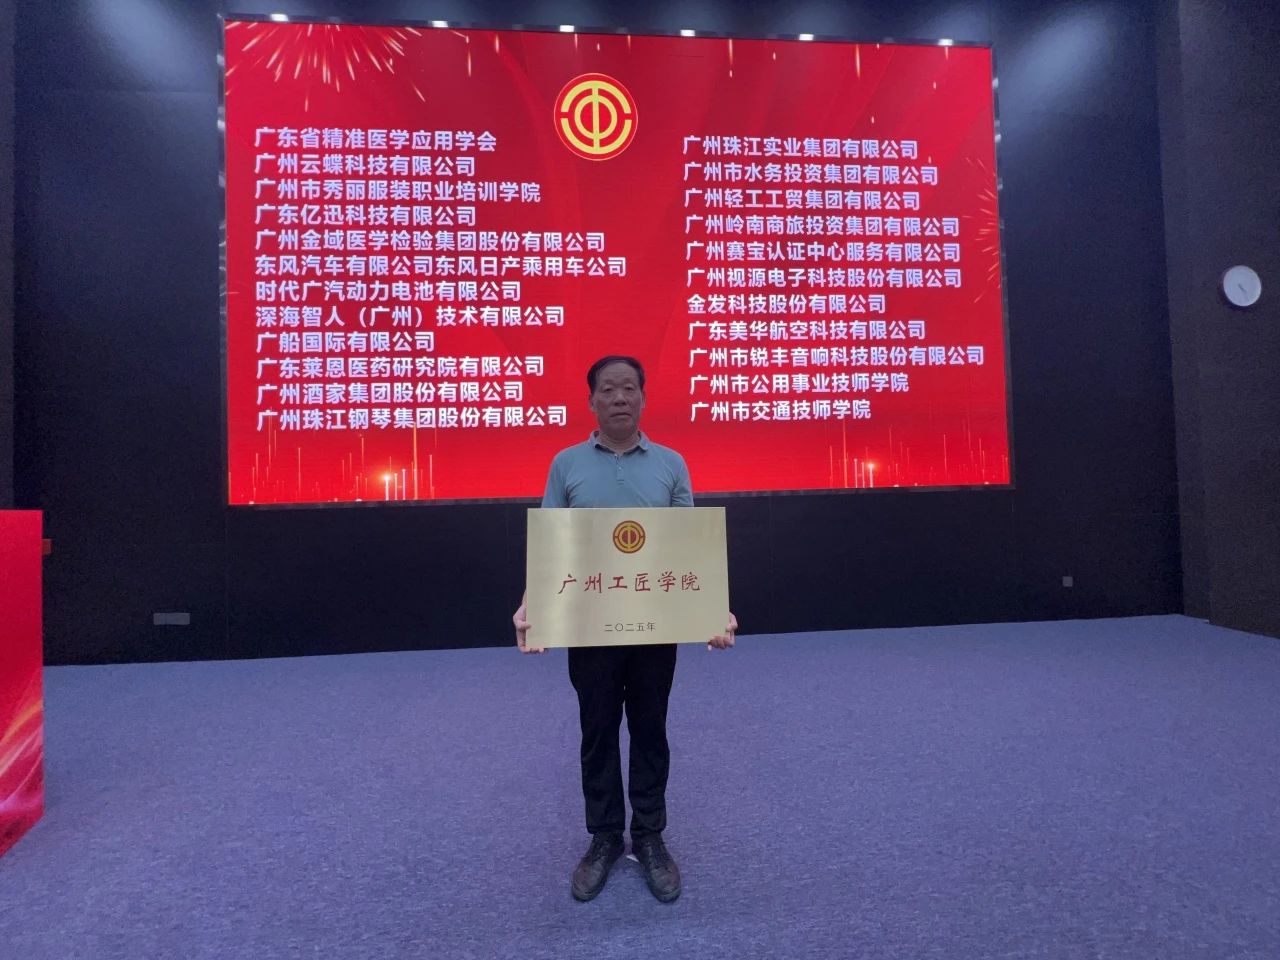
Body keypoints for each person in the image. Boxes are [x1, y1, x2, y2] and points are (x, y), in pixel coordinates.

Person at [512, 356, 737, 904]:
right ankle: (605, 836)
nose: (619, 398)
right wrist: (531, 606)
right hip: (590, 625)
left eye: (629, 388)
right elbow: (550, 547)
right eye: (608, 389)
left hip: (656, 623)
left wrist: (715, 610)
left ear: (643, 398)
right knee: (597, 730)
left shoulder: (670, 464)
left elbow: (691, 548)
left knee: (650, 728)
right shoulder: (566, 464)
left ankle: (651, 835)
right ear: (591, 401)